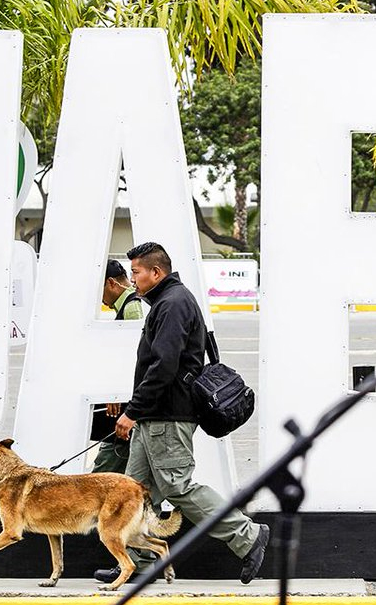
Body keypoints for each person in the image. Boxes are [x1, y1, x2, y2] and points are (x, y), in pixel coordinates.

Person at [94, 242, 269, 586]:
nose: (132, 280)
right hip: (155, 416)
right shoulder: (167, 302)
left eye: (136, 273)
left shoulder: (172, 304)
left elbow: (164, 366)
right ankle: (141, 561)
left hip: (167, 415)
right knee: (136, 491)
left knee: (178, 486)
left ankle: (247, 536)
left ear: (155, 272)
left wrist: (133, 411)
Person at [90, 259, 143, 475]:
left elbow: (135, 354)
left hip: (126, 407)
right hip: (128, 404)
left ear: (111, 283)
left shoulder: (132, 307)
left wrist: (117, 393)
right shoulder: (127, 304)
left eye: (100, 290)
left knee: (103, 472)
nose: (99, 298)